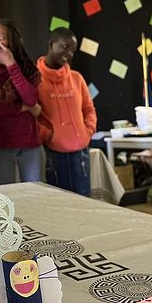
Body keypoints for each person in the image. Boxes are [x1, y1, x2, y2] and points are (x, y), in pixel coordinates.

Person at [0, 18, 44, 184]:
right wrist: (21, 107)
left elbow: (31, 98)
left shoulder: (28, 69)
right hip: (1, 146)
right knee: (6, 198)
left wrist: (10, 63)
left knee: (37, 196)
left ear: (11, 40)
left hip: (31, 145)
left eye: (1, 37)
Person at [36, 27, 97, 196]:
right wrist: (47, 135)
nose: (69, 53)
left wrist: (88, 131)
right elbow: (31, 114)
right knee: (60, 204)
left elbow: (89, 109)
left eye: (73, 50)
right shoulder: (35, 79)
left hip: (80, 152)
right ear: (51, 44)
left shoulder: (77, 78)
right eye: (65, 47)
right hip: (54, 153)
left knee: (85, 203)